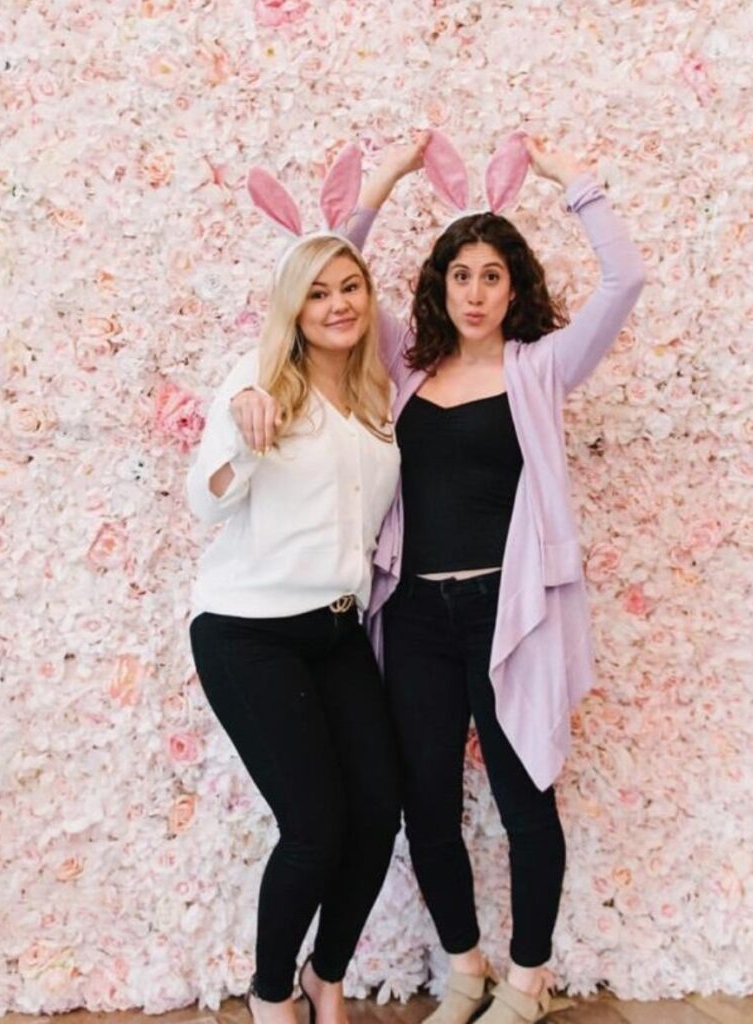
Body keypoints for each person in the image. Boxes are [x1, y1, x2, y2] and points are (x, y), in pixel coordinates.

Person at [233, 131, 645, 1024]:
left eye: (491, 276)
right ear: (438, 286)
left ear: (514, 287)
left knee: (521, 794)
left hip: (510, 611)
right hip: (416, 615)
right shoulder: (406, 368)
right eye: (460, 276)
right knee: (422, 803)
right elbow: (335, 267)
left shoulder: (542, 368)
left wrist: (573, 181)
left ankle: (528, 982)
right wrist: (384, 179)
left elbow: (624, 283)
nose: (474, 292)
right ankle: (465, 967)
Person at [187, 172, 404, 1024]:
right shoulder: (257, 379)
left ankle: (326, 974)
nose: (338, 304)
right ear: (293, 306)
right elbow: (204, 503)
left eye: (349, 287)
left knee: (377, 815)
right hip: (249, 633)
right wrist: (242, 441)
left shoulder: (372, 391)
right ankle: (269, 989)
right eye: (316, 292)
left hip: (337, 631)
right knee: (314, 826)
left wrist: (385, 177)